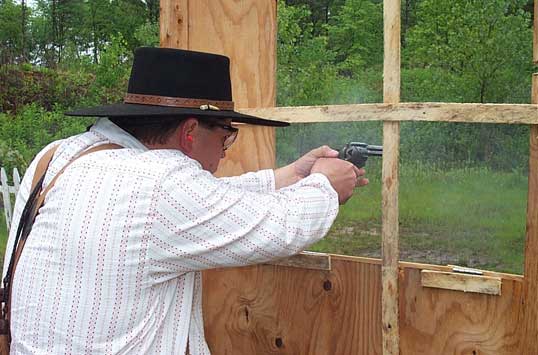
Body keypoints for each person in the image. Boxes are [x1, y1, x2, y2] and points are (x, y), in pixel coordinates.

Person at [2, 47, 368, 354]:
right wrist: (325, 185)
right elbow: (279, 228)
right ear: (190, 133)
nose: (225, 153)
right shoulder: (161, 184)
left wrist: (290, 176)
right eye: (226, 137)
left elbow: (202, 206)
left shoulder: (58, 157)